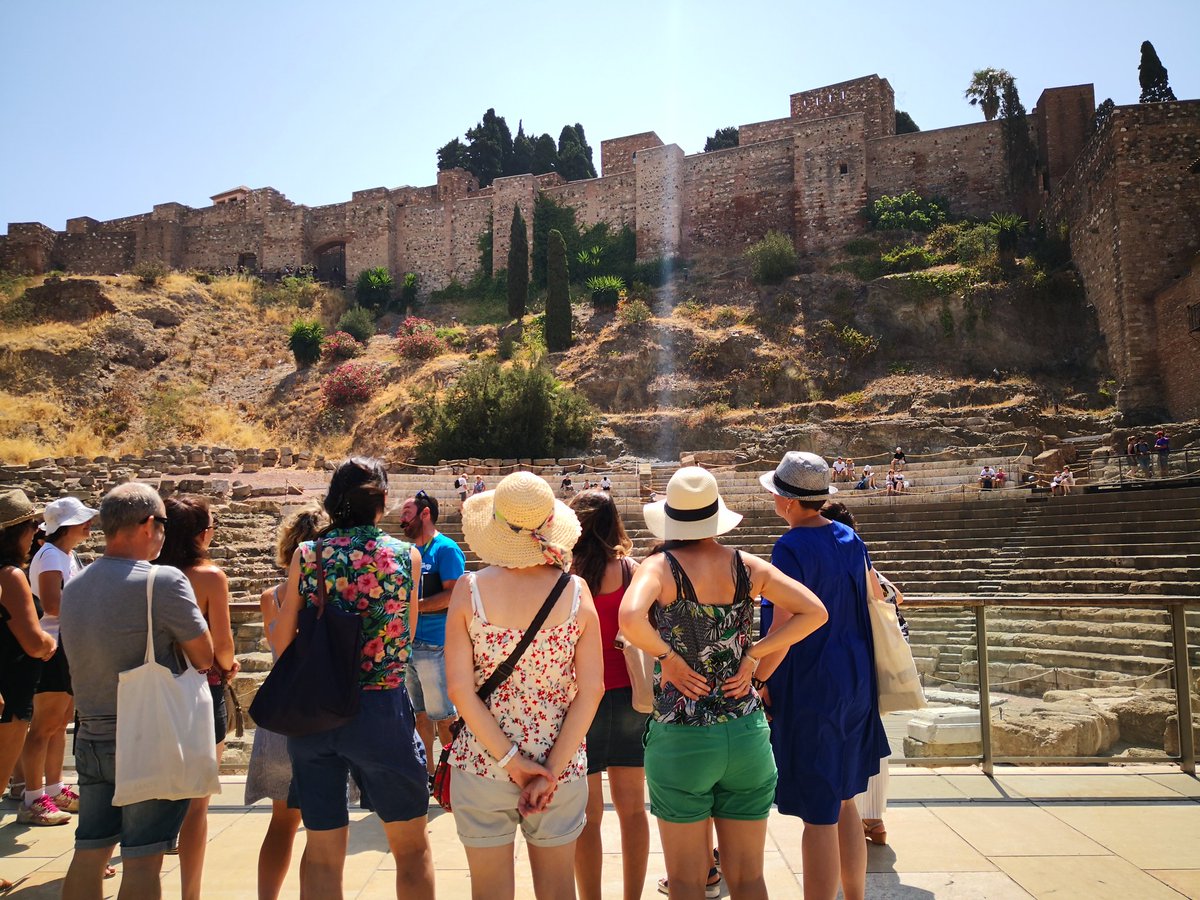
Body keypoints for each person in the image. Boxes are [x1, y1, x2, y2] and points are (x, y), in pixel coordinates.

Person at [619, 466, 828, 900]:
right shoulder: (747, 566)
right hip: (746, 732)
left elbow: (628, 618)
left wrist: (669, 658)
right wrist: (753, 655)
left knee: (686, 881)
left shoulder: (660, 567)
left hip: (683, 737)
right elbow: (815, 612)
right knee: (749, 878)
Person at [274, 457, 433, 900]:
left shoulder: (309, 555)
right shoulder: (407, 556)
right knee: (411, 849)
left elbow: (285, 639)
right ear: (381, 502)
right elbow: (409, 635)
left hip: (317, 712)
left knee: (322, 852)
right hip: (381, 709)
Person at [444, 471, 604, 900]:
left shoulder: (470, 590)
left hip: (483, 761)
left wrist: (513, 763)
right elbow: (592, 690)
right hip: (560, 764)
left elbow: (459, 689)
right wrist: (547, 772)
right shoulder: (576, 592)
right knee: (557, 891)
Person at [60, 483, 214, 900]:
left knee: (90, 851)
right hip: (147, 736)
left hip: (90, 734)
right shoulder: (162, 581)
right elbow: (204, 655)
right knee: (143, 860)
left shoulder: (74, 587)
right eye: (162, 523)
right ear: (148, 524)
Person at [756, 452, 890, 900]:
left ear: (788, 502)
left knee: (818, 812)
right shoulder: (850, 536)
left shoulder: (789, 547)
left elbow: (782, 630)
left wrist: (758, 680)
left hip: (813, 683)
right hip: (855, 680)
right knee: (845, 798)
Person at [155, 495, 240, 900]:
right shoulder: (209, 577)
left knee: (149, 797)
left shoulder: (144, 573)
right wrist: (230, 664)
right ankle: (190, 893)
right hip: (201, 694)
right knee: (196, 804)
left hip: (152, 693)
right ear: (201, 535)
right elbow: (221, 645)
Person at [567, 490, 648, 900]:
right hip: (632, 697)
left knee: (588, 816)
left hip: (582, 700)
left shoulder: (566, 575)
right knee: (634, 810)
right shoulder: (633, 571)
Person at [245, 504, 325, 900]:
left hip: (280, 714)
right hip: (321, 716)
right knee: (320, 826)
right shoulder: (334, 595)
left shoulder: (270, 597)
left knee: (280, 823)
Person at [820, 501, 906, 848]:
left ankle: (852, 817)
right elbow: (894, 596)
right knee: (872, 737)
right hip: (869, 661)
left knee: (846, 737)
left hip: (844, 661)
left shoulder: (838, 557)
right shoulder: (860, 554)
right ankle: (875, 819)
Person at [17, 497, 97, 827]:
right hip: (53, 648)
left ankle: (54, 787)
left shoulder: (65, 554)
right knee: (44, 726)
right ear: (66, 526)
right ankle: (33, 798)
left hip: (66, 645)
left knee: (60, 721)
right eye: (82, 520)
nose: (88, 525)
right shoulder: (51, 556)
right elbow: (52, 604)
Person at [0, 491, 59, 836]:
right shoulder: (9, 575)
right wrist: (49, 642)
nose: (37, 532)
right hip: (10, 692)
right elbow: (34, 642)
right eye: (32, 525)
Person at [399, 489, 466, 786]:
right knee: (420, 716)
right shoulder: (408, 552)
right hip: (409, 646)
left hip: (436, 644)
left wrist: (416, 607)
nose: (402, 519)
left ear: (425, 513)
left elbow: (454, 594)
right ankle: (426, 774)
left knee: (444, 717)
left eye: (407, 513)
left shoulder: (446, 549)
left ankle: (453, 776)